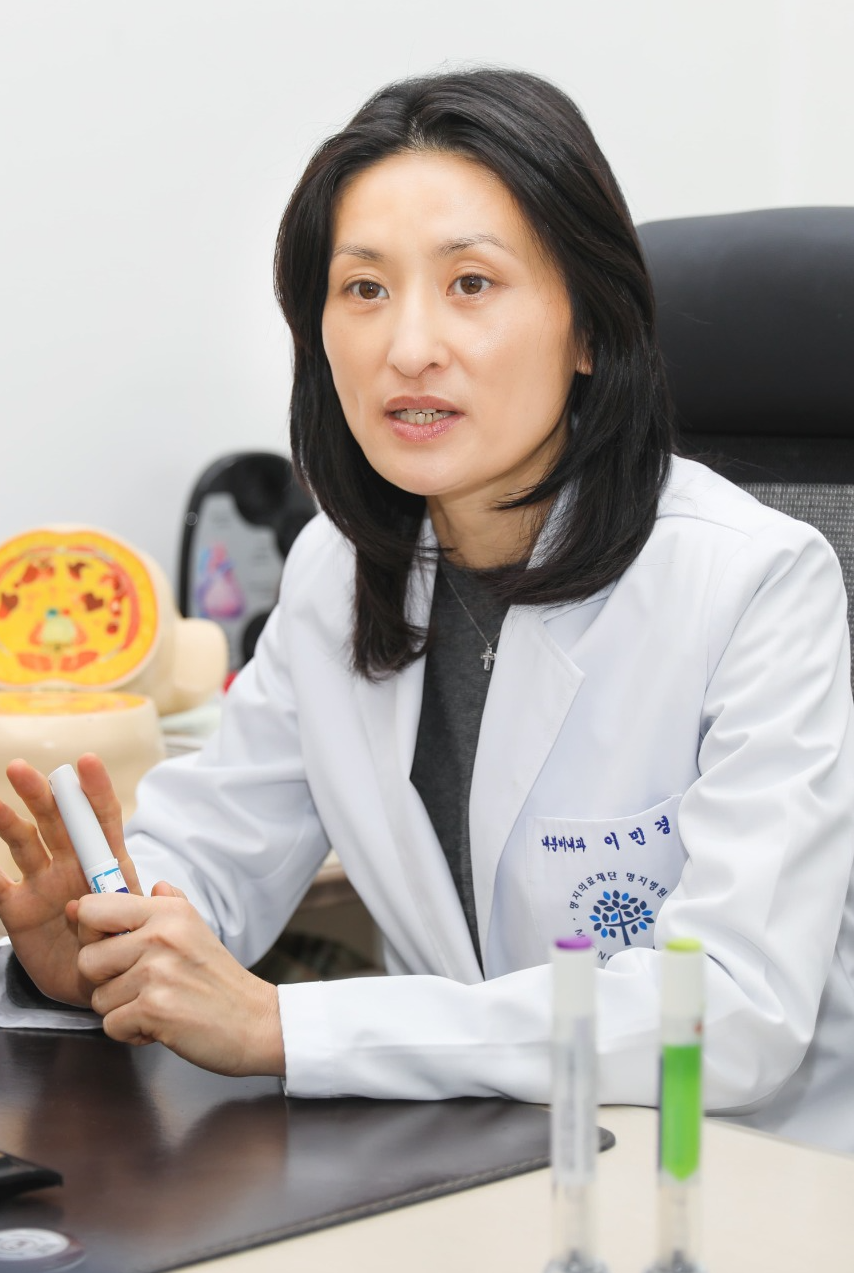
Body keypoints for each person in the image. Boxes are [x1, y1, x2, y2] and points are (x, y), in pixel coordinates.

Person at [1, 68, 853, 1153]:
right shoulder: (336, 569)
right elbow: (212, 854)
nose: (408, 347)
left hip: (730, 1174)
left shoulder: (755, 581)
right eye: (363, 289)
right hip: (464, 1157)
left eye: (470, 283)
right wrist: (94, 944)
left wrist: (285, 1026)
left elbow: (731, 1011)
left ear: (588, 329)